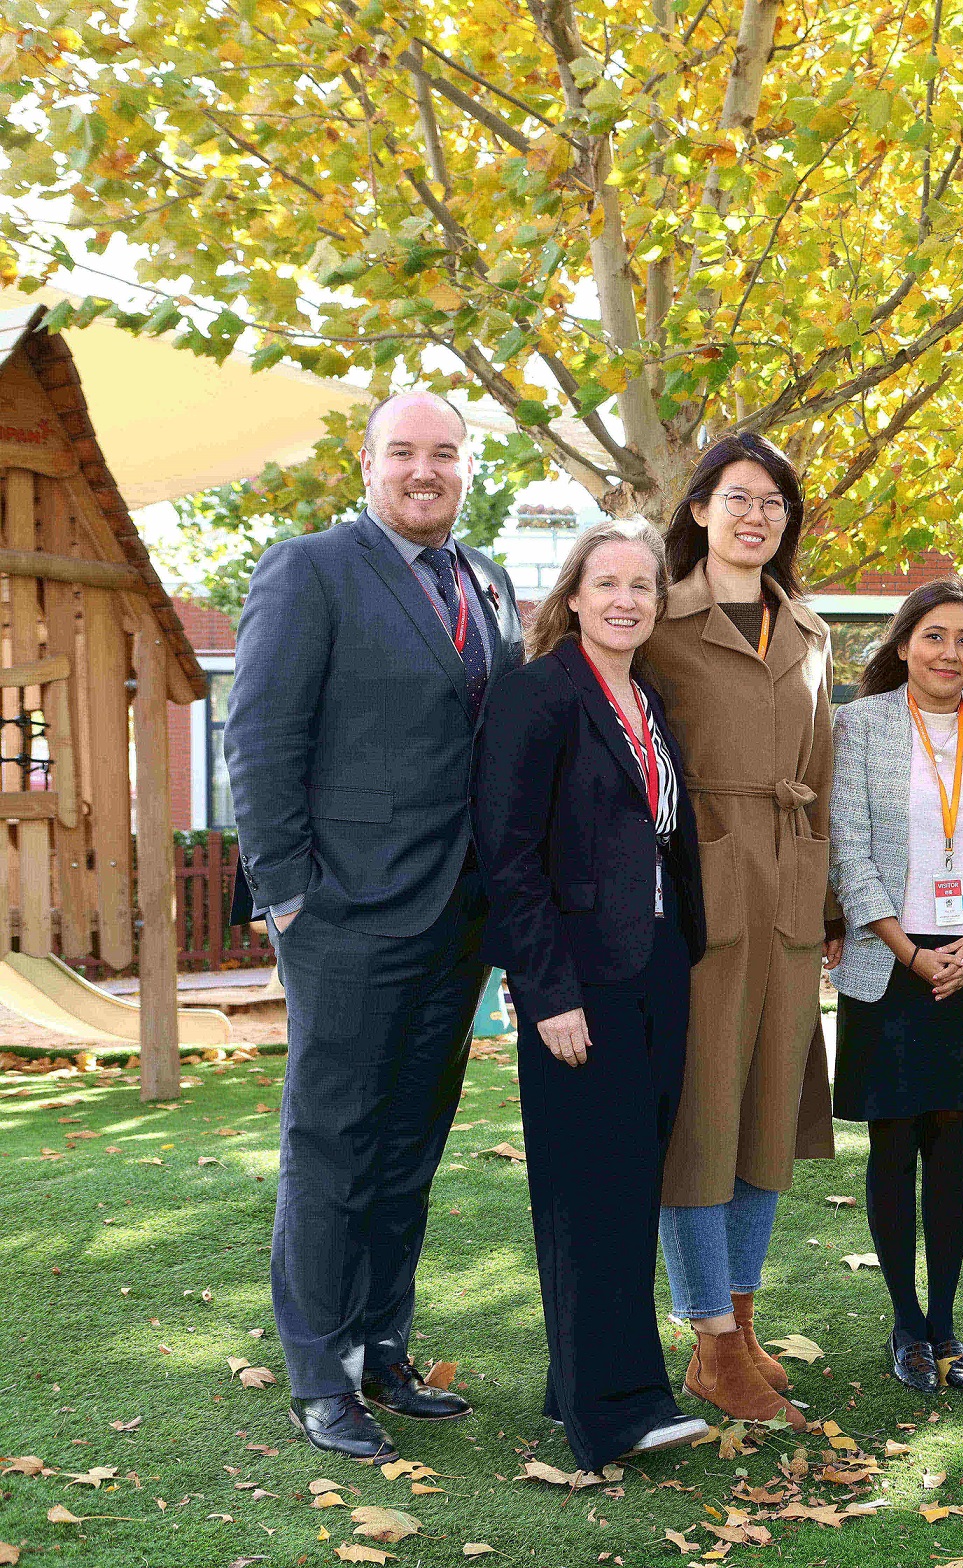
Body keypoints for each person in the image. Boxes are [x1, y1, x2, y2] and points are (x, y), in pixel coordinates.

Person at [225, 392, 525, 1461]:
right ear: (369, 462)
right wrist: (288, 893)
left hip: (457, 920)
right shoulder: (308, 569)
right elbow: (260, 739)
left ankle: (380, 1349)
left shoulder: (484, 578)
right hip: (345, 916)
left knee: (408, 1148)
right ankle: (319, 1376)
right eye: (404, 451)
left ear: (466, 467)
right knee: (332, 1143)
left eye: (444, 453)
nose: (424, 469)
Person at [473, 521, 711, 1468]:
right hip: (578, 982)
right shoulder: (537, 695)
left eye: (642, 587)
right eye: (607, 583)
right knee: (591, 1191)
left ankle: (571, 1375)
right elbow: (509, 855)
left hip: (654, 964)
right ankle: (615, 1410)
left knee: (626, 1183)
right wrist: (547, 991)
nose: (626, 600)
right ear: (573, 595)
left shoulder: (646, 697)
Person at [637, 432, 842, 1429]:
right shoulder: (657, 620)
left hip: (791, 893)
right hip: (700, 893)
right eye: (739, 497)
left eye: (775, 503)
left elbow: (827, 772)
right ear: (702, 508)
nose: (757, 515)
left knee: (770, 1113)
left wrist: (832, 902)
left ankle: (744, 1322)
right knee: (702, 1118)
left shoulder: (809, 627)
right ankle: (712, 1340)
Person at [828, 577, 963, 1394]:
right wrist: (914, 954)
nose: (951, 654)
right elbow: (848, 849)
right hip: (892, 966)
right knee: (894, 1144)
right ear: (904, 642)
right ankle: (905, 1326)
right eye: (935, 637)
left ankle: (946, 1326)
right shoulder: (861, 723)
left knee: (952, 1151)